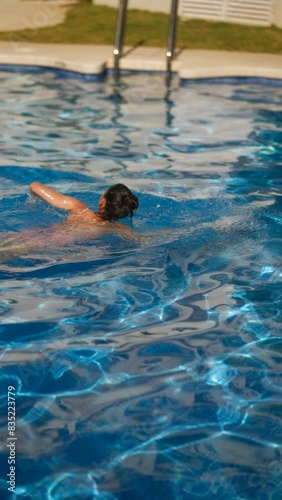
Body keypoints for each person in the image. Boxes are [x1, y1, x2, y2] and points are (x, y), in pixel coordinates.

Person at [0, 183, 140, 262]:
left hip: (27, 237)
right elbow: (140, 241)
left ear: (102, 201)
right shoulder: (117, 228)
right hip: (43, 249)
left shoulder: (78, 208)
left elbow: (34, 186)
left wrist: (33, 202)